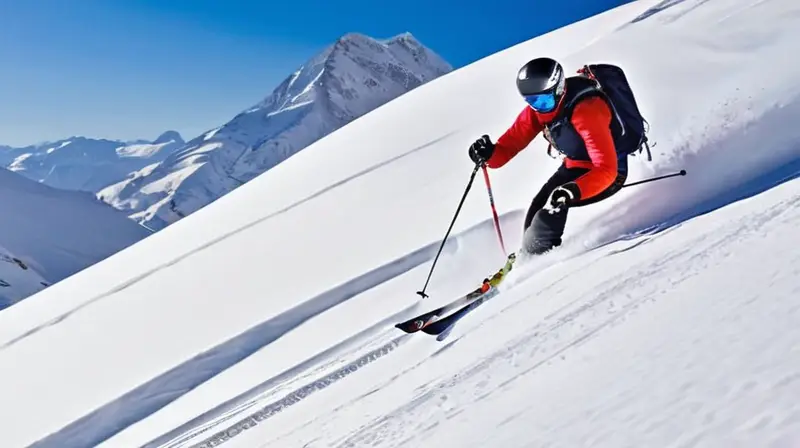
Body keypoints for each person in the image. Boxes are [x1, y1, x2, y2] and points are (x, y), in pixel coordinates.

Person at [468, 57, 630, 256]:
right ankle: (529, 254)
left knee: (553, 205)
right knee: (538, 206)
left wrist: (573, 191)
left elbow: (607, 170)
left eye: (544, 100)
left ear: (559, 88)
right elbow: (510, 145)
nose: (538, 107)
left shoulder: (587, 110)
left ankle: (540, 263)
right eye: (531, 101)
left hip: (608, 174)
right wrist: (489, 153)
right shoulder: (538, 110)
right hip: (575, 165)